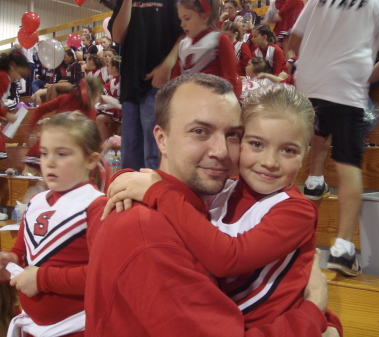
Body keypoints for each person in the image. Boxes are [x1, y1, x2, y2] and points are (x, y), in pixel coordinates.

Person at [85, 73, 331, 336]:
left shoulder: (199, 198)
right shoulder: (148, 232)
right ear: (161, 139)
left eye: (233, 135)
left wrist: (323, 320)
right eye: (200, 131)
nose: (221, 151)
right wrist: (312, 313)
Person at [288, 0, 379, 276]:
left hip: (308, 84)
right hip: (344, 86)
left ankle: (315, 181)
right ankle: (343, 248)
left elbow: (293, 40)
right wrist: (361, 79)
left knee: (319, 126)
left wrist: (314, 65)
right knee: (348, 163)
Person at [0, 112, 108, 337]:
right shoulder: (37, 201)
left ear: (90, 160)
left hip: (78, 327)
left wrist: (41, 279)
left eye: (62, 153)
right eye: (44, 153)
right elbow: (22, 253)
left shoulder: (96, 206)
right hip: (32, 326)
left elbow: (102, 275)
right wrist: (9, 262)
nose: (49, 161)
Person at [108, 0, 183, 171]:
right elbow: (118, 36)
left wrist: (168, 64)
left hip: (159, 82)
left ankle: (155, 196)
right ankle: (134, 196)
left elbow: (184, 31)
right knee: (130, 154)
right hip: (130, 81)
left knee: (155, 153)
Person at [171, 0, 242, 97]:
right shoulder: (183, 44)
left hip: (213, 104)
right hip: (187, 103)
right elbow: (175, 80)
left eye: (187, 18)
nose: (182, 24)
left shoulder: (219, 40)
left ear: (204, 17)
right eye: (181, 20)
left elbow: (230, 79)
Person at [30, 77, 103, 128]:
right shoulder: (90, 111)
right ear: (96, 94)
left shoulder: (64, 98)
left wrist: (30, 127)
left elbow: (40, 109)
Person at [0, 51, 29, 159]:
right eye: (19, 74)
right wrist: (7, 115)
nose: (18, 78)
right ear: (12, 66)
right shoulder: (4, 77)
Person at [95, 57, 121, 141]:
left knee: (100, 118)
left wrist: (107, 100)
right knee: (98, 116)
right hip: (116, 107)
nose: (107, 68)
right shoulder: (114, 80)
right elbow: (104, 88)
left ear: (114, 68)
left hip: (124, 108)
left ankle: (110, 144)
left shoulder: (123, 81)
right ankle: (105, 144)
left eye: (108, 66)